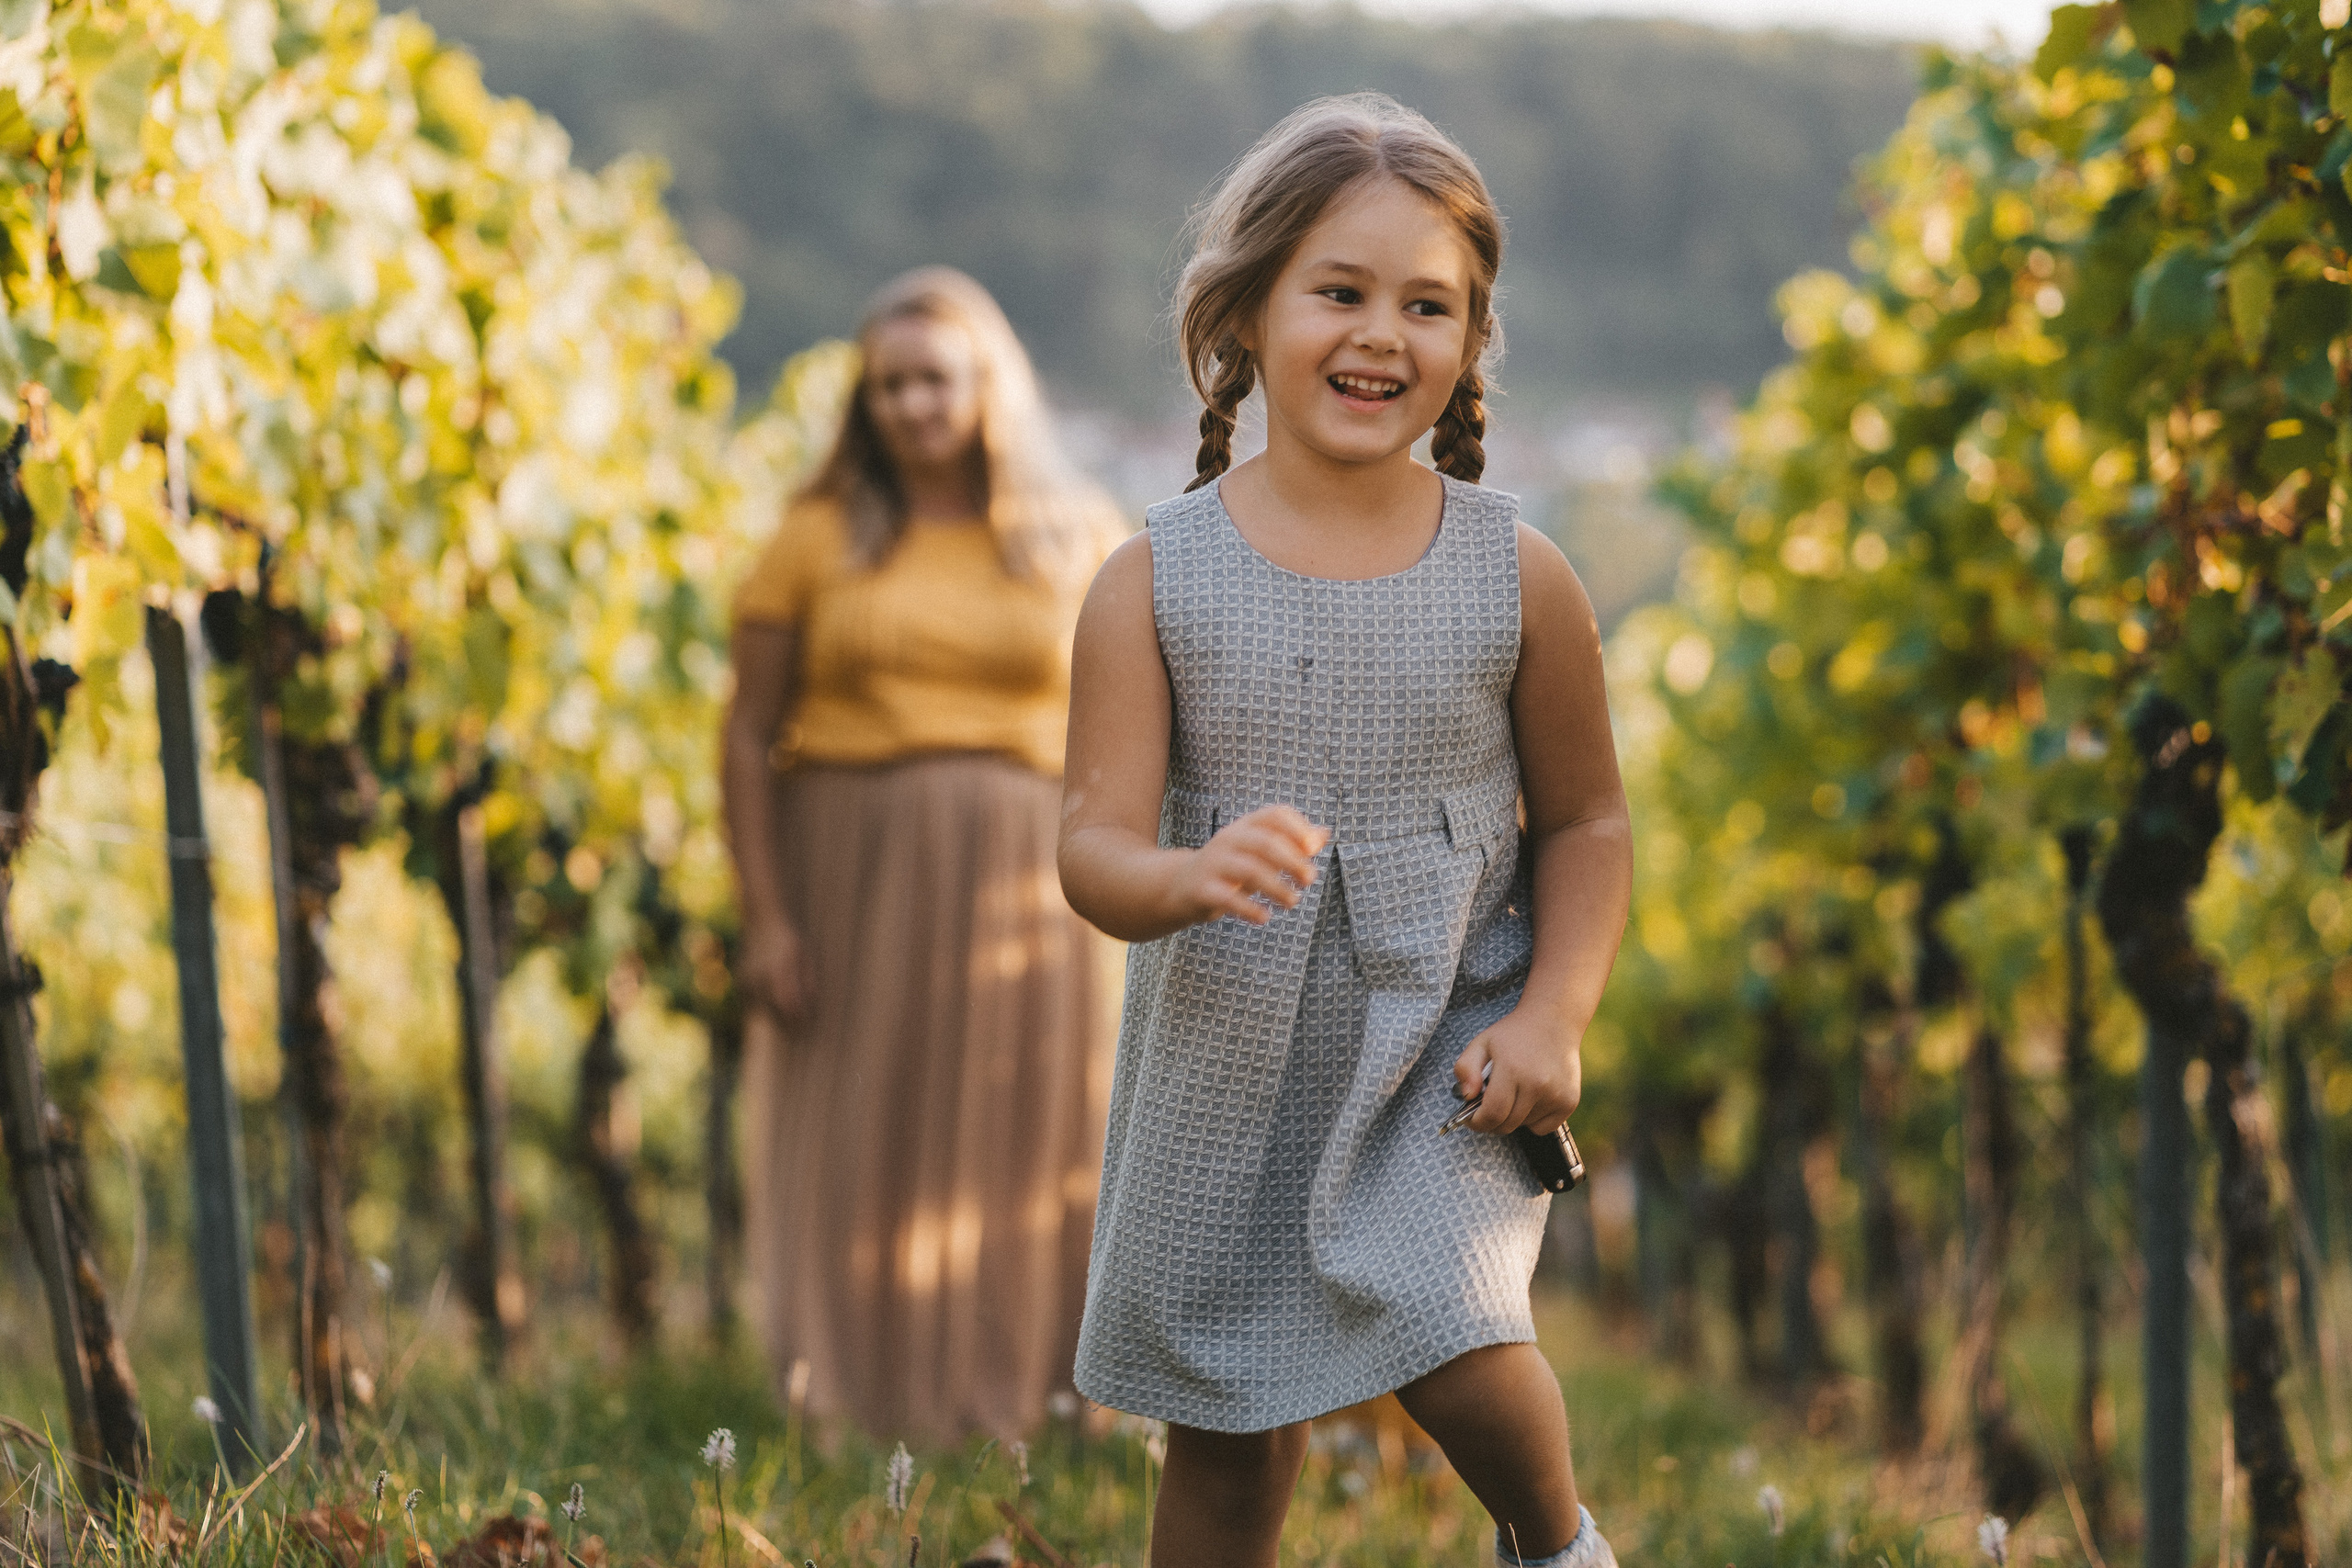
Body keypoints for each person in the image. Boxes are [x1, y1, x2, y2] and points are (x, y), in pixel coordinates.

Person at [1057, 96, 1632, 1568]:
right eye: (1340, 292)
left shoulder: (1519, 574)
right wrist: (1183, 874)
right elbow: (1093, 846)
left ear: (1471, 339)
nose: (1383, 334)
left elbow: (1586, 818)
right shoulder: (1150, 579)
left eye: (1427, 305)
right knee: (1227, 1426)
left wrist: (1554, 1015)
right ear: (1245, 312)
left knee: (1458, 1325)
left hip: (1445, 1037)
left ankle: (1558, 1544)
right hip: (1227, 1057)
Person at [725, 265, 1121, 1444]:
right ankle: (854, 1403)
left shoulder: (1076, 536)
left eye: (933, 380)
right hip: (854, 865)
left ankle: (1036, 1398)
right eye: (887, 385)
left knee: (1031, 1129)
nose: (910, 405)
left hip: (1033, 882)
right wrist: (766, 916)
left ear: (990, 388)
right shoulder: (811, 539)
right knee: (865, 1129)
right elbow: (746, 733)